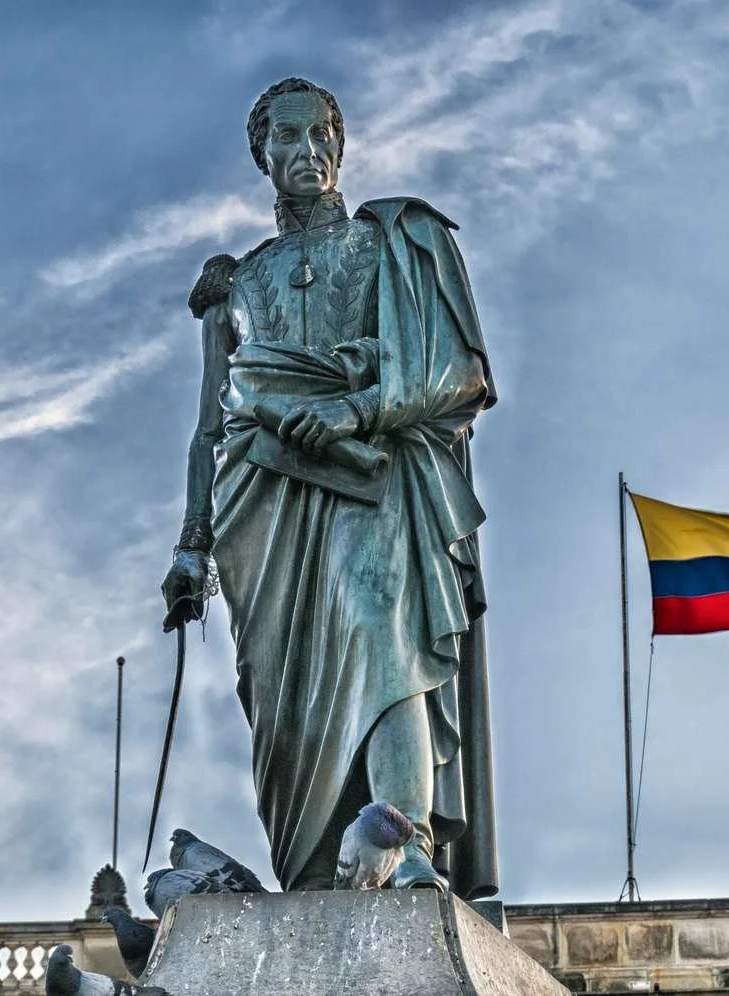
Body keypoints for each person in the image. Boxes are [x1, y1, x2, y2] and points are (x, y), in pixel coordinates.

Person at [160, 77, 498, 897]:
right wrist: (191, 544)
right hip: (264, 506)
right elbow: (213, 424)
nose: (307, 151)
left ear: (341, 147)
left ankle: (405, 839)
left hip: (373, 470)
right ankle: (317, 874)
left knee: (384, 631)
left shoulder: (395, 244)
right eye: (287, 138)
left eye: (321, 136)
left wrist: (356, 409)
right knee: (285, 707)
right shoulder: (234, 287)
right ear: (261, 154)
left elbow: (460, 374)